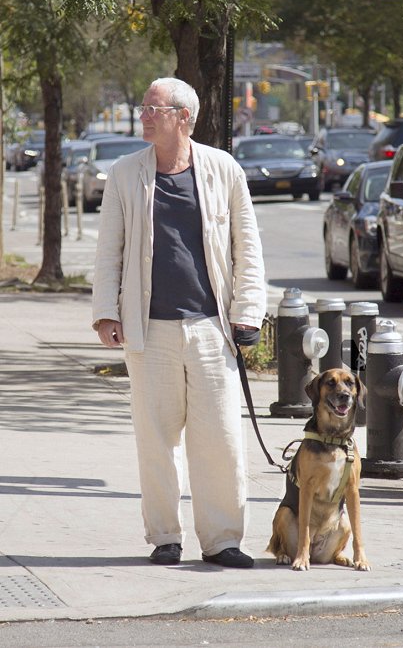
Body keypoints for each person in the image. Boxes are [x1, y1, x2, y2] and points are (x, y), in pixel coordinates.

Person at [92, 77, 266, 569]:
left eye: (154, 108)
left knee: (221, 439)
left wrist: (247, 312)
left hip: (212, 326)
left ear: (183, 116)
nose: (144, 114)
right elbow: (110, 250)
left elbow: (246, 248)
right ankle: (165, 536)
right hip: (150, 329)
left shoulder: (223, 169)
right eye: (143, 106)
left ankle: (223, 541)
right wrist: (106, 312)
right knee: (156, 438)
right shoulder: (125, 174)